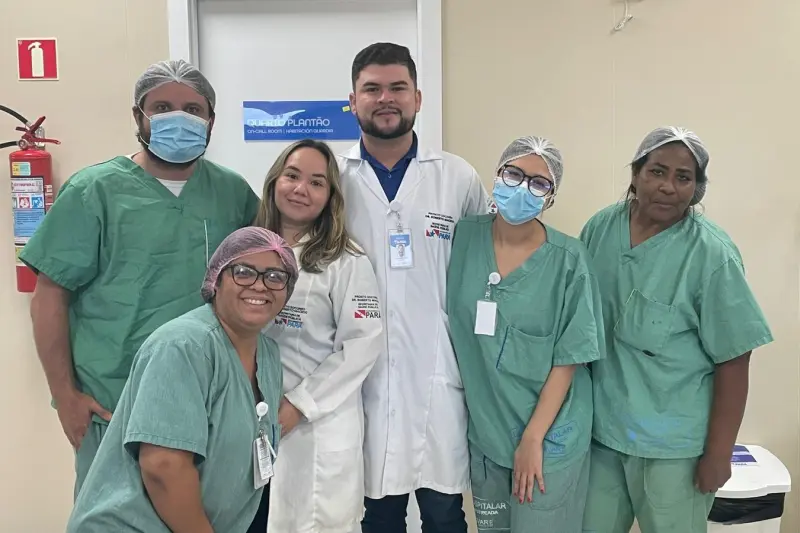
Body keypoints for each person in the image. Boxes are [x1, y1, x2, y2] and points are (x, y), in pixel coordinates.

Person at [19, 58, 260, 498]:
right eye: (163, 107)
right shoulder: (94, 191)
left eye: (193, 109)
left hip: (209, 397)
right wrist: (66, 396)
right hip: (115, 401)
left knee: (208, 516)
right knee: (118, 517)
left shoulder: (232, 192)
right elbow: (49, 296)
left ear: (211, 120)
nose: (179, 118)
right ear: (138, 116)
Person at [579, 126, 774, 533]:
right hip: (602, 436)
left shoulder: (711, 255)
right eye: (657, 171)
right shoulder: (600, 229)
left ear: (696, 189)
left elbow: (735, 359)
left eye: (683, 177)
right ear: (636, 174)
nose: (668, 186)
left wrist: (719, 453)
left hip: (674, 450)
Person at [337, 42, 490, 533]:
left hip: (437, 371)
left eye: (398, 87)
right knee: (376, 513)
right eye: (372, 89)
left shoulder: (457, 177)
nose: (385, 98)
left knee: (444, 512)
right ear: (353, 101)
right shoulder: (332, 179)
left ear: (418, 98)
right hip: (358, 373)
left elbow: (487, 266)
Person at [65, 226, 299, 533]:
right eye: (243, 272)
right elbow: (164, 467)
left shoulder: (267, 355)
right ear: (216, 280)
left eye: (275, 277)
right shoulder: (183, 346)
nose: (259, 285)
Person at [446, 136, 605, 533]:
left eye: (538, 183)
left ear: (550, 198)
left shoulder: (569, 260)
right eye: (514, 174)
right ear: (497, 175)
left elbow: (570, 357)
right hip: (487, 434)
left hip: (550, 438)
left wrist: (533, 439)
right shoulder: (462, 238)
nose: (522, 188)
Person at [253, 139, 383, 533]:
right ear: (275, 181)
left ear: (330, 197)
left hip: (317, 425)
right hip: (251, 421)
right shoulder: (248, 248)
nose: (301, 189)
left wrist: (299, 405)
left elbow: (362, 345)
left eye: (316, 182)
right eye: (292, 176)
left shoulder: (346, 259)